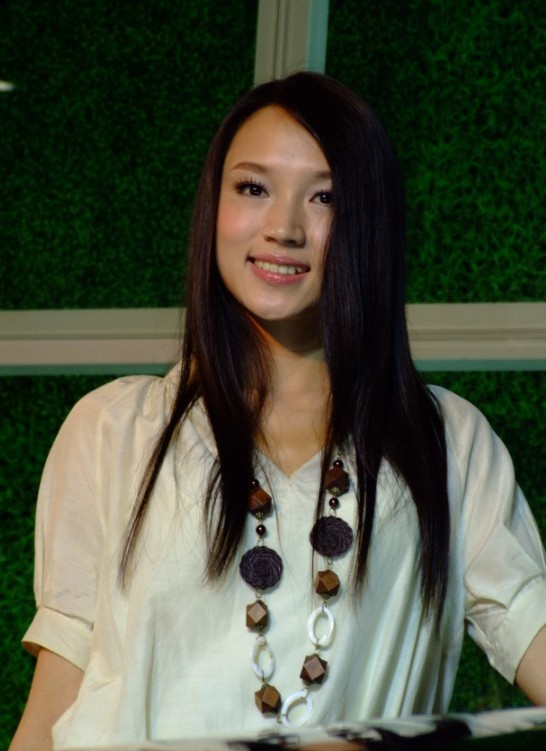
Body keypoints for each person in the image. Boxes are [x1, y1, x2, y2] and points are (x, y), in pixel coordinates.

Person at [9, 72, 546, 751]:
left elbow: (526, 620)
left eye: (325, 197)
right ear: (214, 205)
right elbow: (57, 701)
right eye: (253, 188)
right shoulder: (114, 430)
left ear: (369, 223)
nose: (284, 228)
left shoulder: (445, 443)